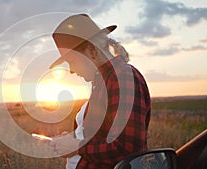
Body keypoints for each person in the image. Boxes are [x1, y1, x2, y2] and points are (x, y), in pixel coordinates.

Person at [49, 14, 151, 169]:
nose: (71, 71)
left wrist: (77, 146)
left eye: (72, 61)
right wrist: (71, 140)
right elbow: (99, 137)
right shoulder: (103, 82)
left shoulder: (123, 78)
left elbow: (126, 149)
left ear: (92, 51)